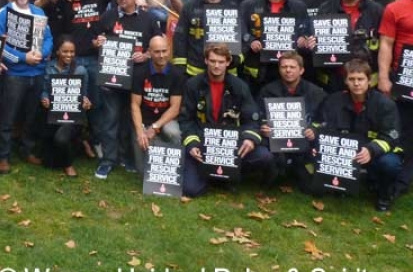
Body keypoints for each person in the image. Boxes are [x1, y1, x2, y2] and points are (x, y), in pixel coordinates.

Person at [179, 44, 276, 197]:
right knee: (191, 190)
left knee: (264, 156)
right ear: (206, 61)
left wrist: (249, 139)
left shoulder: (240, 86)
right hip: (203, 144)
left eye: (221, 61)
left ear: (228, 62)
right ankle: (215, 175)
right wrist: (192, 143)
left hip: (230, 145)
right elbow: (186, 119)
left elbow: (252, 118)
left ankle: (229, 175)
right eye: (212, 61)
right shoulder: (193, 85)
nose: (216, 66)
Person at [307, 59, 402, 210]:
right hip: (343, 153)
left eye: (360, 79)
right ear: (345, 80)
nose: (356, 83)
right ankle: (332, 184)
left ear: (369, 80)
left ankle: (384, 195)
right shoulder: (333, 100)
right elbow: (321, 124)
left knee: (390, 163)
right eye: (352, 79)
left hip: (371, 152)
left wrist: (371, 150)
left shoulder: (385, 104)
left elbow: (391, 136)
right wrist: (315, 133)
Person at [92, 0, 161, 178]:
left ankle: (129, 158)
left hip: (137, 79)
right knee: (111, 120)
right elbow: (95, 39)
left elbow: (158, 45)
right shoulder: (109, 15)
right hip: (112, 78)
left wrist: (146, 55)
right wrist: (99, 42)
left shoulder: (148, 19)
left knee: (132, 121)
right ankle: (108, 160)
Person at [0, 0, 54, 173]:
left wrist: (41, 54)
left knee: (31, 116)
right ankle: (2, 155)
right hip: (14, 74)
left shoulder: (39, 12)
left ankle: (26, 150)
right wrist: (21, 57)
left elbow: (49, 39)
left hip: (37, 72)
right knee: (8, 117)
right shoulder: (4, 13)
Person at [257, 51, 325, 186]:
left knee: (309, 186)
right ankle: (274, 172)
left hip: (305, 144)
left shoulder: (316, 93)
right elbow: (258, 116)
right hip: (275, 143)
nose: (288, 70)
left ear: (302, 70)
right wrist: (263, 127)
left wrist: (314, 130)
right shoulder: (267, 91)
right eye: (284, 67)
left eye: (292, 67)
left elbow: (325, 121)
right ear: (279, 69)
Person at [239, 0, 311, 92]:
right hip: (259, 68)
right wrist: (250, 40)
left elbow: (307, 29)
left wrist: (303, 38)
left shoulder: (298, 6)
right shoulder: (248, 5)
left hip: (289, 68)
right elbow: (239, 28)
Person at [314, 0, 382, 91]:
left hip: (367, 81)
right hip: (334, 79)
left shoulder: (376, 10)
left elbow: (385, 45)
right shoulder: (326, 8)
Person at [377, 0, 413, 197]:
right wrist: (383, 77)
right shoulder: (395, 8)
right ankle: (393, 178)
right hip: (402, 79)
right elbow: (386, 44)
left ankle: (404, 180)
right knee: (401, 130)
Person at [173, 0, 239, 77]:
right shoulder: (190, 7)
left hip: (226, 72)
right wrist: (180, 68)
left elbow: (240, 38)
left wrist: (235, 60)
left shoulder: (233, 7)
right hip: (195, 70)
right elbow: (180, 37)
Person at [39, 36, 91, 177]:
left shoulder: (80, 70)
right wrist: (44, 98)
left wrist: (86, 103)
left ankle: (69, 165)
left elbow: (84, 95)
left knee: (61, 138)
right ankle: (78, 145)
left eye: (72, 52)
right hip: (53, 114)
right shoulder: (49, 68)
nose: (69, 55)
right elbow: (44, 90)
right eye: (65, 51)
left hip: (74, 117)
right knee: (49, 164)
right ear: (57, 52)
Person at [130, 36, 183, 174]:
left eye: (164, 51)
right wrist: (140, 132)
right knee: (143, 172)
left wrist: (155, 127)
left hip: (165, 121)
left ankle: (175, 167)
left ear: (169, 50)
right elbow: (135, 105)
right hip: (144, 120)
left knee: (174, 132)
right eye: (157, 51)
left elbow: (175, 108)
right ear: (149, 52)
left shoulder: (177, 74)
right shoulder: (139, 73)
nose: (161, 55)